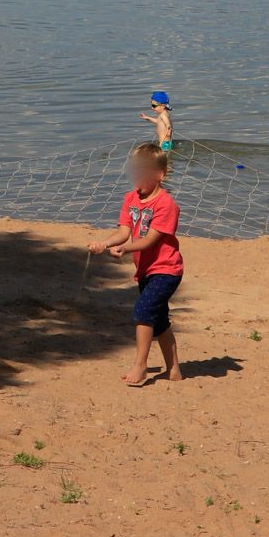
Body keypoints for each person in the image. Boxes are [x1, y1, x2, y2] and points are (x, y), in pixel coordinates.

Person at [88, 144, 184, 386]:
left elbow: (151, 239)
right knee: (159, 320)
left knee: (143, 313)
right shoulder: (130, 198)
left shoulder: (166, 204)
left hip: (166, 270)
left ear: (159, 175)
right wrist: (105, 244)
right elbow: (123, 232)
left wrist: (125, 249)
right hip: (145, 271)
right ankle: (174, 369)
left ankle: (140, 366)